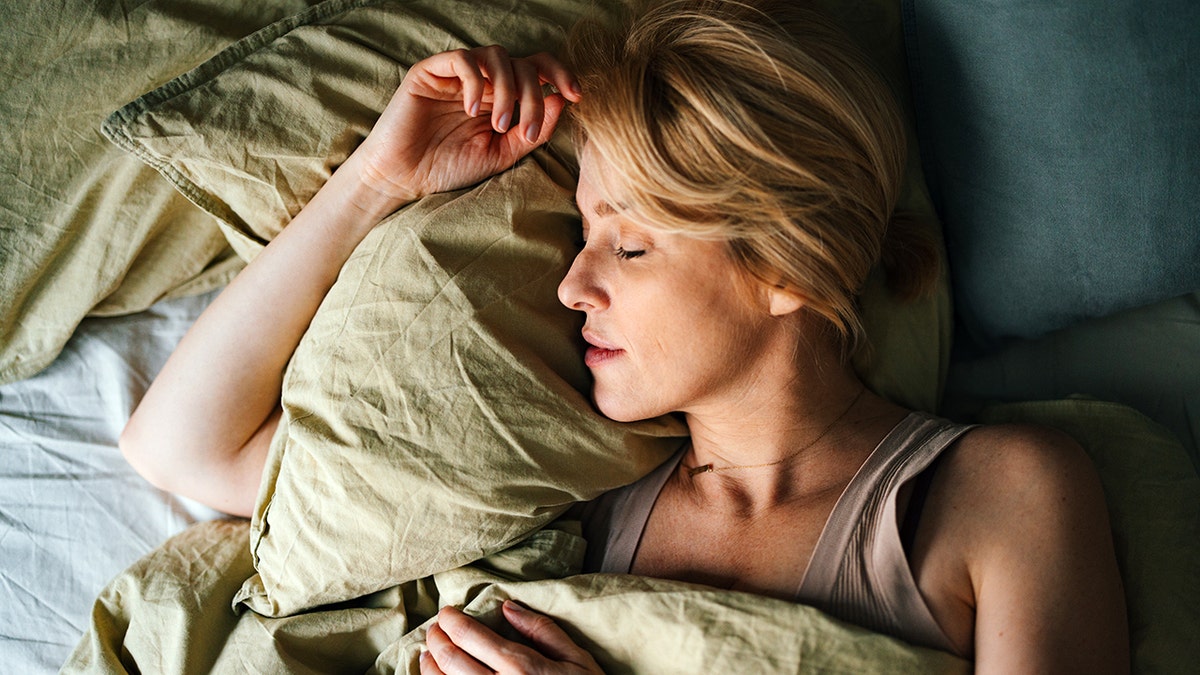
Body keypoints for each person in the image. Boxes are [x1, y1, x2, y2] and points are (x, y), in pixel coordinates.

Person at [120, 1, 1129, 673]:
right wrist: (379, 183)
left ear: (787, 269)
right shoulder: (574, 486)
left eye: (631, 248)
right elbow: (180, 449)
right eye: (585, 231)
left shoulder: (1004, 495)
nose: (572, 283)